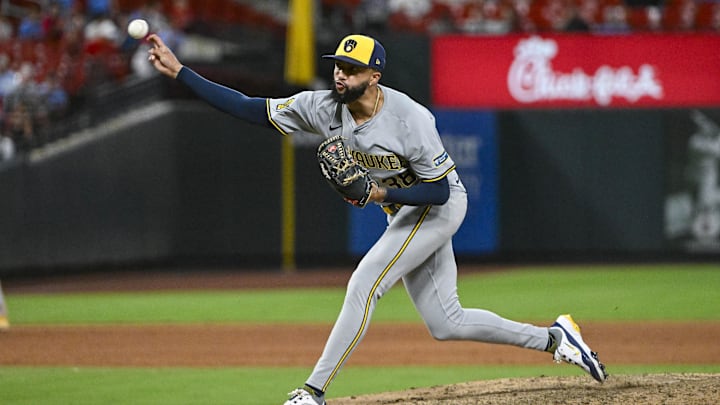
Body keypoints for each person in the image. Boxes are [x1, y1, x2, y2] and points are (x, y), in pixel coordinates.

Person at [146, 33, 608, 405]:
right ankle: (554, 339)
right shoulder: (322, 107)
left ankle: (312, 392)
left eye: (350, 68)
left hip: (439, 207)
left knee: (364, 283)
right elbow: (250, 108)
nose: (340, 74)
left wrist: (380, 192)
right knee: (446, 322)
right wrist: (183, 73)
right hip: (406, 211)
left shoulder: (411, 119)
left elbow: (441, 190)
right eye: (337, 66)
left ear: (375, 75)